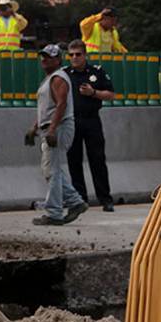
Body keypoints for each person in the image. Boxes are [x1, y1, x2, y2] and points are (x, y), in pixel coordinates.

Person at [25, 43, 86, 226]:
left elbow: (61, 105)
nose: (44, 60)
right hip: (51, 127)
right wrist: (35, 127)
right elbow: (48, 108)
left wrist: (51, 129)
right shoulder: (50, 78)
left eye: (49, 57)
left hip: (58, 128)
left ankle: (54, 213)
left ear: (58, 60)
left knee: (52, 171)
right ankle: (75, 202)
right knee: (52, 170)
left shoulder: (58, 78)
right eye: (43, 56)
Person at [64, 39, 116, 212]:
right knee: (74, 160)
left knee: (98, 159)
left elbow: (110, 94)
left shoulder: (96, 72)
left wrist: (93, 92)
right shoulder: (65, 74)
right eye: (71, 55)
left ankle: (105, 198)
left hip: (91, 119)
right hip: (72, 121)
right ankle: (80, 199)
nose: (75, 58)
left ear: (85, 55)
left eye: (78, 54)